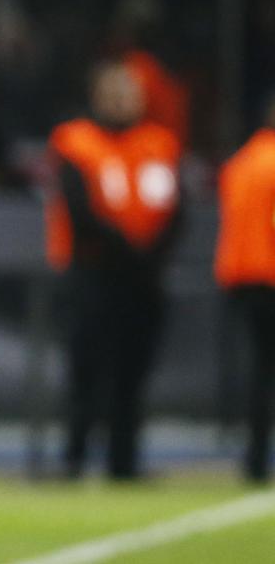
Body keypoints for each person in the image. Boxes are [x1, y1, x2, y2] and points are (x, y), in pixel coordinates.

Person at [44, 59, 182, 480]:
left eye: (129, 94)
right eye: (114, 93)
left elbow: (177, 212)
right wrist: (130, 251)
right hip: (93, 274)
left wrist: (149, 256)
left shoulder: (160, 143)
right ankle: (74, 459)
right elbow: (81, 211)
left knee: (133, 372)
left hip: (143, 278)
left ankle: (125, 463)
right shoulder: (76, 142)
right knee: (86, 369)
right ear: (97, 97)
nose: (122, 101)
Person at [214, 95, 275, 483]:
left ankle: (255, 459)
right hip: (270, 274)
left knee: (260, 372)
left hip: (242, 278)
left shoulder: (241, 161)